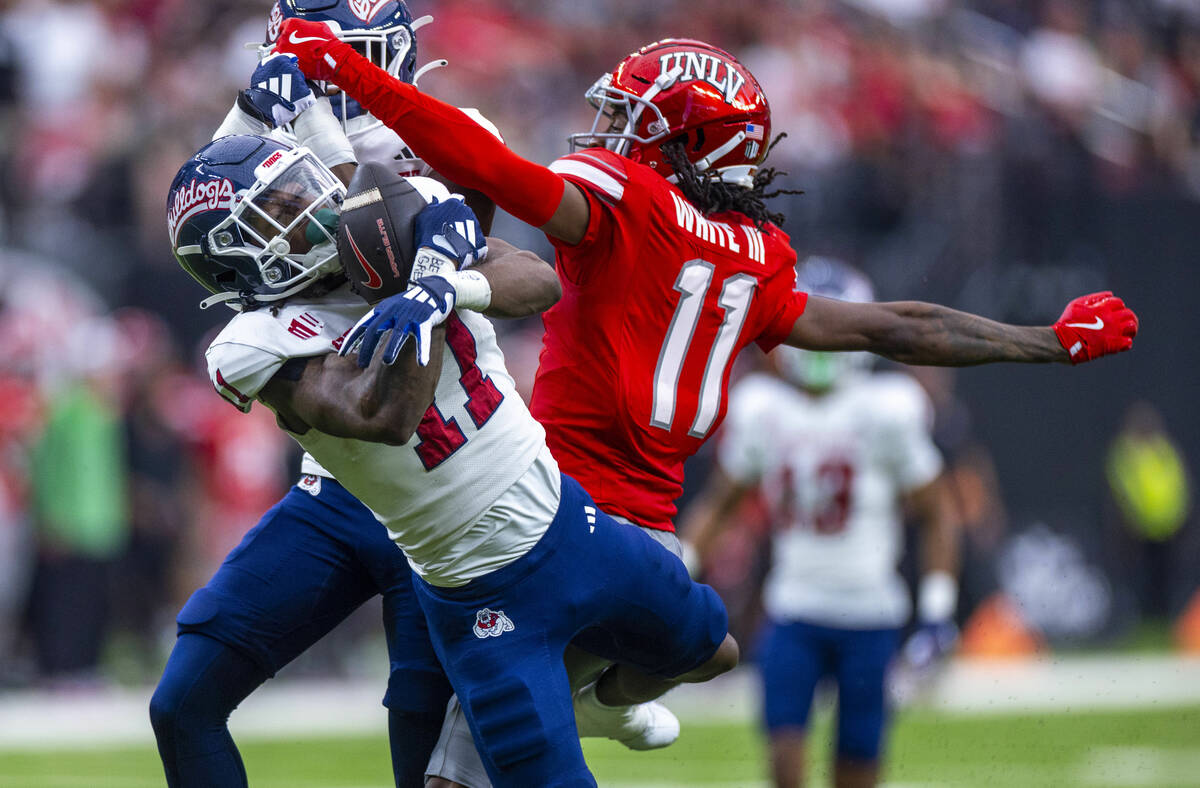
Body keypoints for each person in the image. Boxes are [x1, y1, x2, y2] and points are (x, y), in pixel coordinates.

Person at [271, 23, 1139, 786]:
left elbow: (488, 164)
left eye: (631, 122)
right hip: (646, 539)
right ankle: (609, 703)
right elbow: (898, 326)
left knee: (462, 749)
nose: (608, 132)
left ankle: (579, 709)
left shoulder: (630, 205)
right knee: (707, 647)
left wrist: (351, 70)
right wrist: (1043, 339)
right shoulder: (757, 257)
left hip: (542, 519)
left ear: (684, 143)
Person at [163, 132, 739, 788]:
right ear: (241, 258)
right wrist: (423, 288)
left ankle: (597, 706)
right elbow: (384, 415)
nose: (316, 209)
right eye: (280, 211)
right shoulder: (251, 345)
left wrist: (450, 281)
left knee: (714, 650)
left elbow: (539, 281)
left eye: (303, 187)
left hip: (571, 524)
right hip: (478, 590)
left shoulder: (394, 221)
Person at [152, 4, 532, 786]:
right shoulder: (263, 130)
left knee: (423, 766)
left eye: (345, 56)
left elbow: (463, 251)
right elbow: (217, 233)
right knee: (183, 702)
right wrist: (261, 110)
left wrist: (435, 284)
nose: (328, 74)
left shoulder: (446, 132)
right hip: (336, 485)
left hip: (444, 485)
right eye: (312, 55)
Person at [679, 258, 959, 788]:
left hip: (871, 615)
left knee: (856, 770)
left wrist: (937, 610)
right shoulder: (763, 408)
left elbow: (940, 509)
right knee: (786, 769)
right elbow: (720, 504)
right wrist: (676, 575)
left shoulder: (887, 408)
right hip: (794, 612)